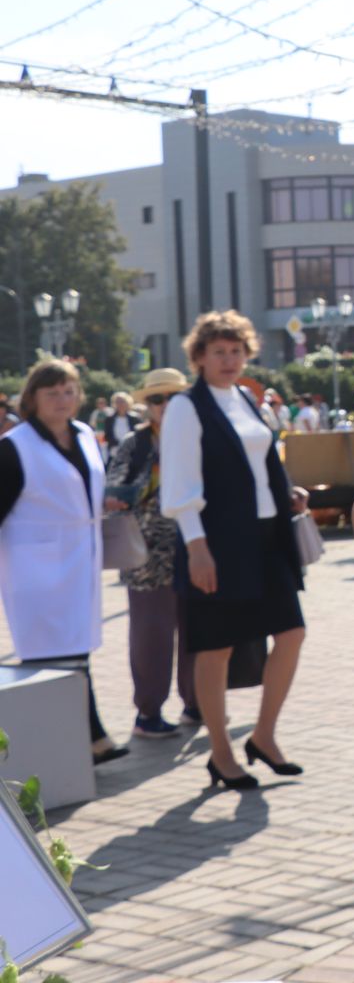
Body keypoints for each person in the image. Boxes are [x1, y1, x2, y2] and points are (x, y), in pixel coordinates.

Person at [161, 311, 310, 791]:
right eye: (218, 352)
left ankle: (263, 736)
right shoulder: (187, 407)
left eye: (236, 351)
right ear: (199, 357)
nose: (228, 360)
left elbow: (260, 463)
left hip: (267, 537)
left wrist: (287, 492)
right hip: (216, 542)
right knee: (215, 647)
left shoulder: (246, 398)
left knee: (291, 633)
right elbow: (181, 483)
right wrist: (197, 547)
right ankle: (221, 754)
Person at [0, 359, 125, 764]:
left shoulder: (85, 435)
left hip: (78, 559)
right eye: (51, 392)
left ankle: (84, 739)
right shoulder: (14, 446)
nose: (62, 399)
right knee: (48, 657)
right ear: (32, 398)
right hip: (35, 567)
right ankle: (74, 742)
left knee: (76, 652)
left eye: (69, 391)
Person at [104, 367, 198, 737]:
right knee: (152, 636)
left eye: (173, 397)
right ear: (147, 406)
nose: (165, 405)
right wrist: (153, 471)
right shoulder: (136, 443)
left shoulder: (197, 438)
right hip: (146, 555)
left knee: (197, 630)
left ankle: (196, 702)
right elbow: (115, 490)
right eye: (157, 399)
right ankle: (148, 713)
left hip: (194, 549)